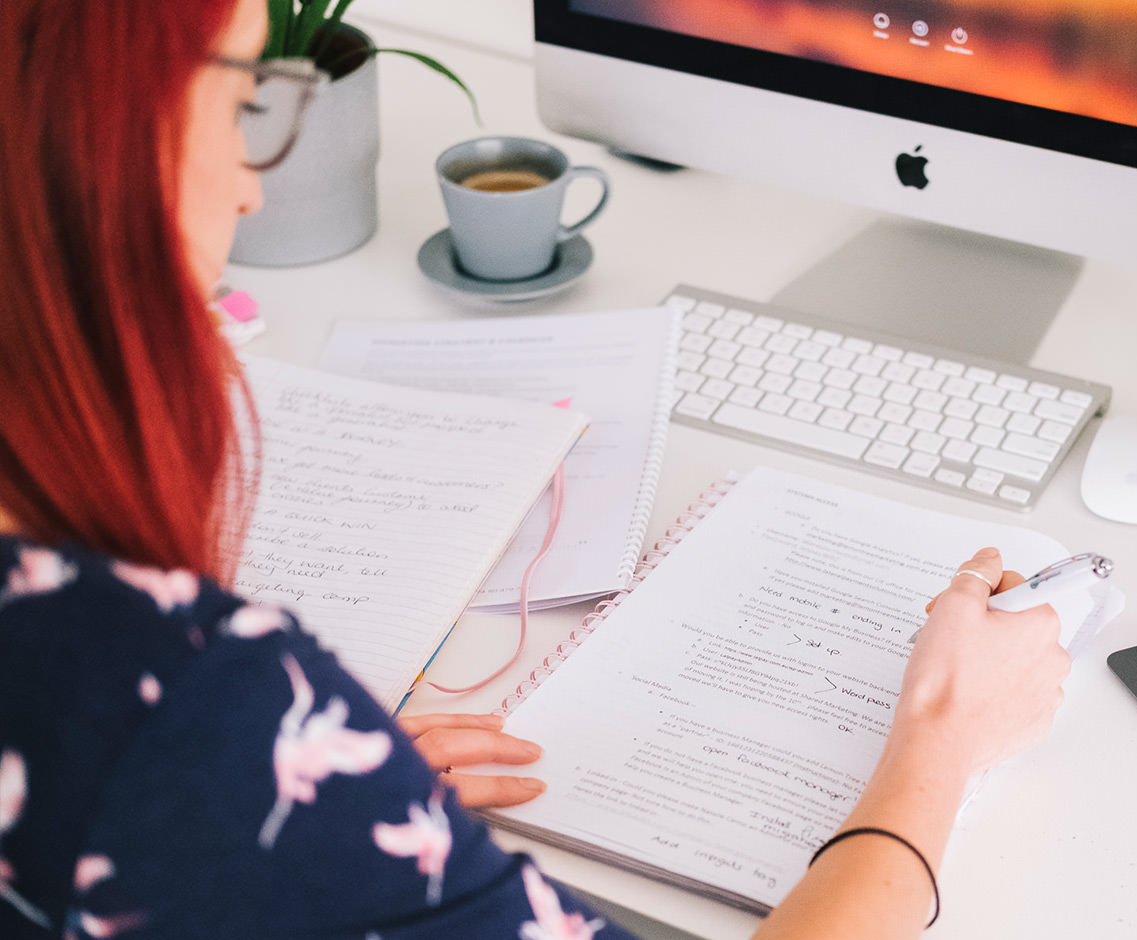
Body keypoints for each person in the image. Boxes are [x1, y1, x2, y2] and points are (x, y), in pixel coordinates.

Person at [0, 1, 1073, 937]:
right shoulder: (184, 694)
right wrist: (938, 743)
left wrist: (300, 803)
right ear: (83, 131)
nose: (247, 191)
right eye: (242, 106)